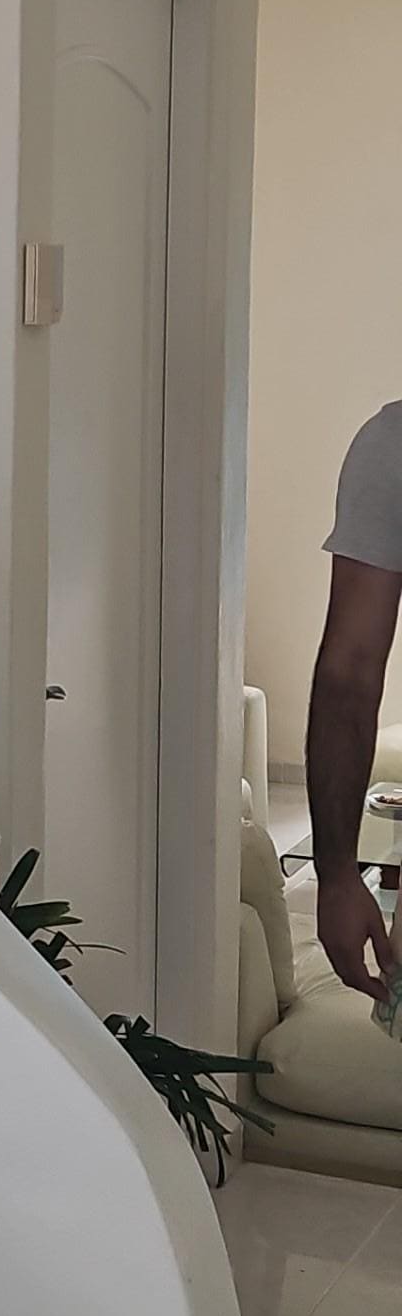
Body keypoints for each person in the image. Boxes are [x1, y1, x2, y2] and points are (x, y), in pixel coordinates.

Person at [308, 403, 402, 997]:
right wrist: (337, 873)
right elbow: (349, 675)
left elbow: (351, 673)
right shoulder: (394, 444)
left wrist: (338, 874)